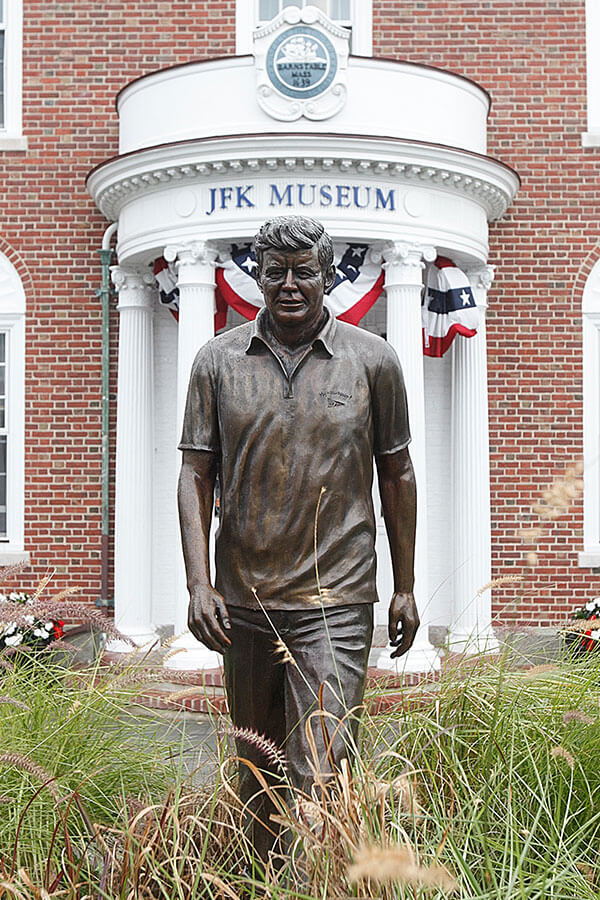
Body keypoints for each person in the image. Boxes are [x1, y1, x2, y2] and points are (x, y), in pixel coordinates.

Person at [178, 215, 419, 862]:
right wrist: (199, 582)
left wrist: (406, 587)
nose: (289, 285)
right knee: (258, 777)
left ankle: (321, 881)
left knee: (321, 771)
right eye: (276, 271)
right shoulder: (218, 361)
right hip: (245, 602)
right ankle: (267, 882)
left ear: (327, 274)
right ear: (257, 273)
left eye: (303, 271)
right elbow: (195, 473)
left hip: (335, 600)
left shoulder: (375, 361)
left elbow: (397, 472)